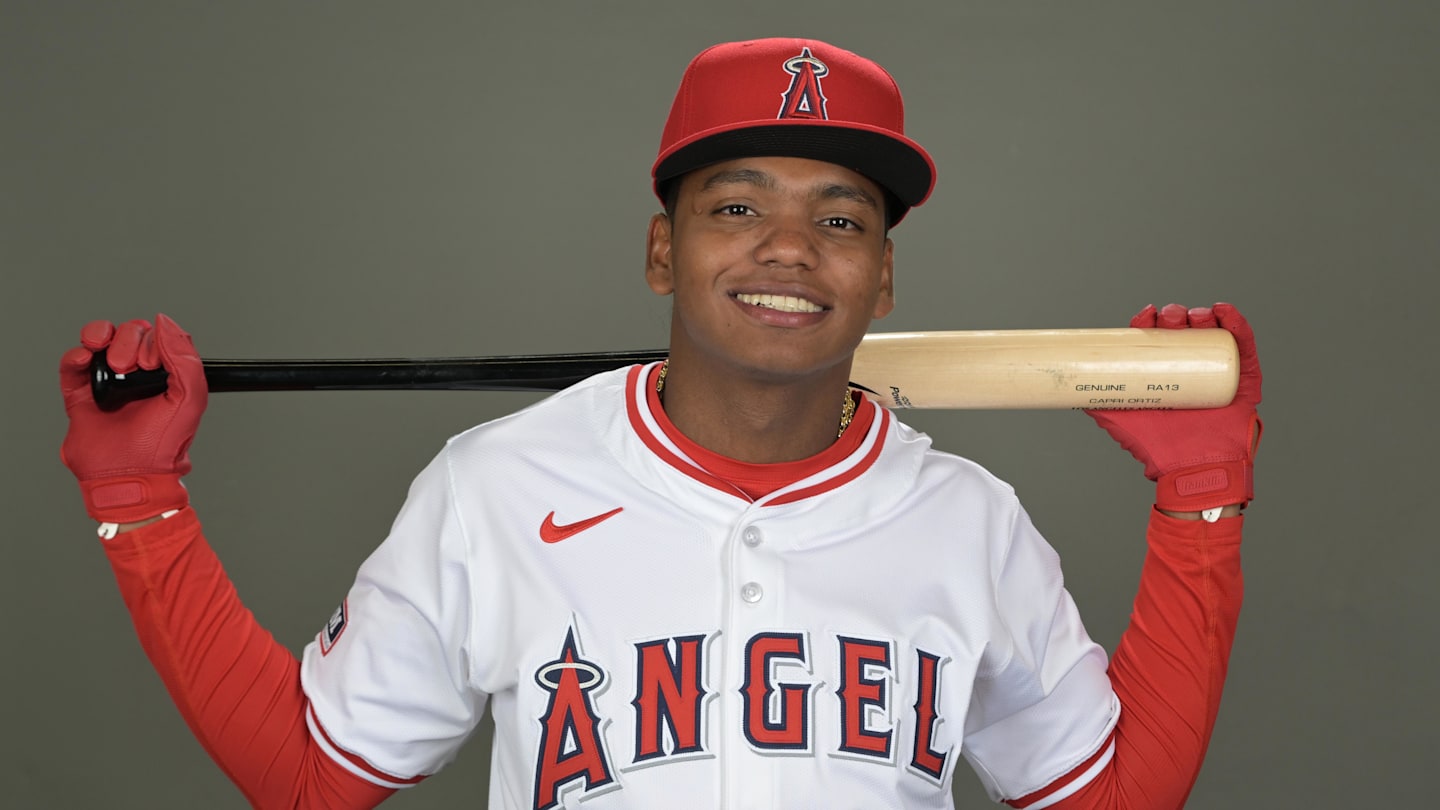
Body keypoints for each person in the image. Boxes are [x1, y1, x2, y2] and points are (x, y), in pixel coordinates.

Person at [59, 37, 1262, 810]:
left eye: (842, 220)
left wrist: (1199, 502)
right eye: (736, 206)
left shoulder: (969, 521)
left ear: (883, 281)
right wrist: (140, 507)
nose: (789, 247)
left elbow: (1109, 797)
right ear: (661, 250)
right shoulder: (496, 485)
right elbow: (312, 773)